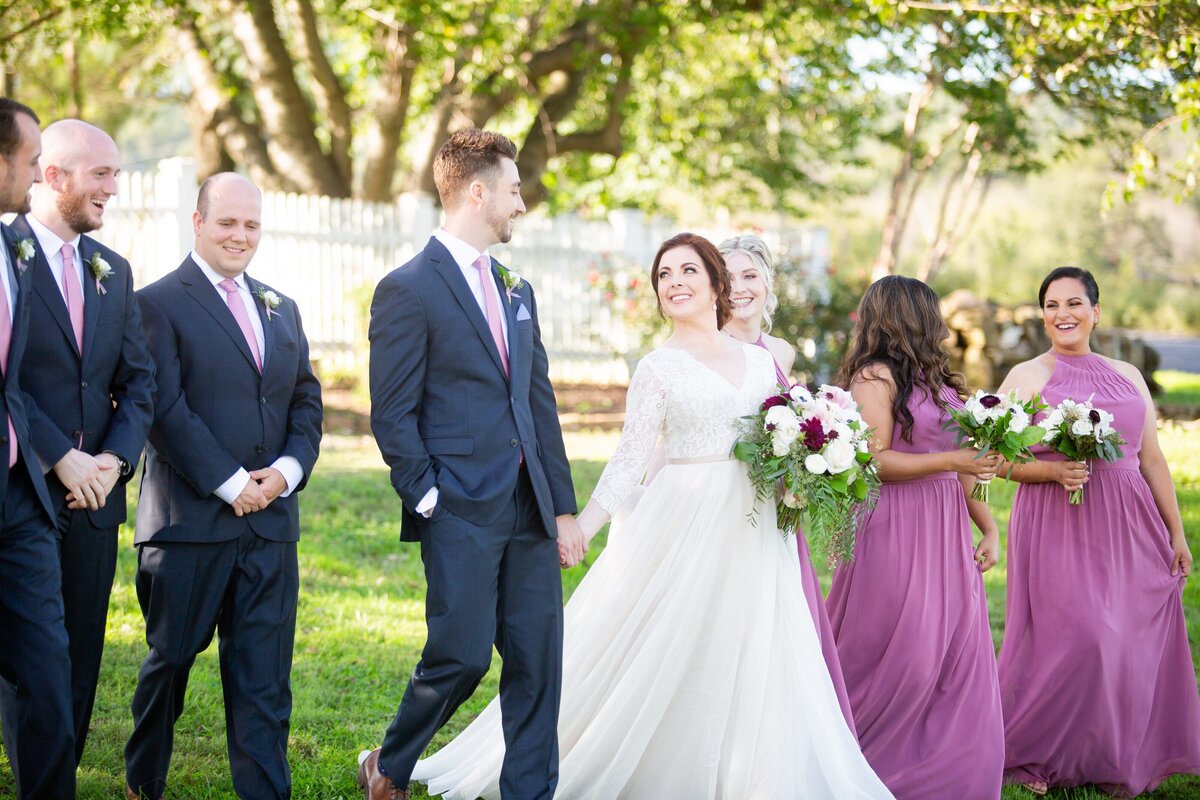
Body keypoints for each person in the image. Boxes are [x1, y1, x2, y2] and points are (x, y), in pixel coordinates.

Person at [408, 233, 893, 799]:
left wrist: (812, 470)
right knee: (674, 642)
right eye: (665, 275)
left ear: (716, 284)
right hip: (685, 516)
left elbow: (775, 442)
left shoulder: (761, 364)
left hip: (754, 526)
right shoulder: (658, 367)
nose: (676, 282)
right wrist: (581, 526)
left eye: (689, 270)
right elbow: (628, 462)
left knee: (755, 641)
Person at [360, 129, 582, 800]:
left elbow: (537, 402)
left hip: (529, 506)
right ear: (478, 192)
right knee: (458, 654)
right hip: (457, 503)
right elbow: (391, 411)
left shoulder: (518, 290)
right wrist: (428, 497)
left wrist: (562, 505)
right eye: (514, 191)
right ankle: (391, 765)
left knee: (537, 662)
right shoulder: (407, 289)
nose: (520, 205)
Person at [124, 172, 323, 800]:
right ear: (199, 222)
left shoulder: (280, 306)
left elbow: (305, 400)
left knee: (264, 678)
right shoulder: (156, 302)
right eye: (228, 222)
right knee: (172, 661)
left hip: (269, 524)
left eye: (252, 225)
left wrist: (286, 473)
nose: (241, 236)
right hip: (189, 524)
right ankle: (142, 778)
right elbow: (163, 407)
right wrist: (231, 482)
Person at [995, 266, 1200, 796]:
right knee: (1082, 637)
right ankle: (1034, 750)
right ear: (1043, 315)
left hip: (1132, 525)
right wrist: (1050, 470)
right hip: (1057, 521)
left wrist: (1176, 534)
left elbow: (1152, 458)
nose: (1062, 314)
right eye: (1051, 305)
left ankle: (1112, 757)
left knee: (1127, 641)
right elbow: (993, 458)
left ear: (1096, 311)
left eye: (1074, 303)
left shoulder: (1128, 375)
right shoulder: (1027, 377)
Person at [3, 119, 155, 766]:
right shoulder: (7, 255)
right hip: (24, 488)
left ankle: (58, 770)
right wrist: (57, 458)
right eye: (102, 174)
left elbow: (139, 380)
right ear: (52, 174)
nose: (113, 189)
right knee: (31, 655)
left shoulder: (112, 271)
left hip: (96, 495)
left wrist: (111, 462)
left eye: (116, 174)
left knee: (82, 650)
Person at [825, 275, 1004, 800]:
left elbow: (968, 471)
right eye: (930, 312)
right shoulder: (873, 378)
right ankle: (862, 764)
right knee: (901, 655)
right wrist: (953, 460)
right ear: (908, 316)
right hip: (895, 526)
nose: (941, 324)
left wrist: (988, 525)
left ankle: (951, 773)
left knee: (955, 655)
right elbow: (874, 461)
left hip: (946, 530)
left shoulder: (942, 382)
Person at [717, 233, 854, 733]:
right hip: (720, 501)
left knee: (776, 624)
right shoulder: (707, 346)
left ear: (768, 284)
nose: (739, 288)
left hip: (772, 506)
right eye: (728, 277)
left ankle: (772, 731)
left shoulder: (781, 351)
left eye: (750, 275)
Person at [0, 96, 77, 800]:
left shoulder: (10, 250)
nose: (34, 181)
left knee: (48, 672)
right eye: (28, 164)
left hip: (19, 502)